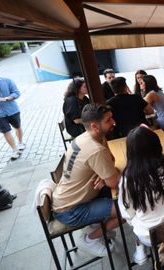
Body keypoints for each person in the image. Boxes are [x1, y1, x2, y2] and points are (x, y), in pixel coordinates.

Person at [51, 104, 121, 257]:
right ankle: (89, 239)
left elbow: (112, 160)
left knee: (113, 194)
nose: (114, 122)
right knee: (127, 210)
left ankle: (97, 226)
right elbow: (115, 182)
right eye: (109, 120)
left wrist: (104, 175)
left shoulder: (83, 138)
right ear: (95, 126)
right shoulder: (96, 149)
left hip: (64, 201)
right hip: (71, 211)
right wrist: (106, 176)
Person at [118, 125, 164, 265]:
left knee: (137, 221)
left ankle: (140, 245)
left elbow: (127, 214)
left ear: (130, 153)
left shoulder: (127, 179)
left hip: (152, 237)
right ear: (157, 144)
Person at [0, 75, 25, 160]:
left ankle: (20, 143)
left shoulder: (7, 81)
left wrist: (6, 98)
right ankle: (15, 150)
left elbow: (16, 93)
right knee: (6, 132)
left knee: (17, 127)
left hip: (12, 110)